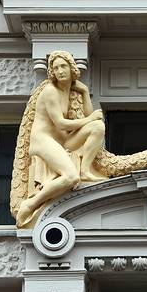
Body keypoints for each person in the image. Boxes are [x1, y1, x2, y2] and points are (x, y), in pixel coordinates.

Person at [16, 50, 105, 226]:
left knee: (97, 127)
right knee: (71, 177)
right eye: (56, 68)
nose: (60, 71)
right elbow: (61, 123)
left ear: (72, 69)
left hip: (61, 141)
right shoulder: (50, 91)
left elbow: (90, 117)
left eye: (63, 66)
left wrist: (84, 91)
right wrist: (90, 119)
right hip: (43, 141)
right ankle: (30, 204)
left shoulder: (70, 90)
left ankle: (85, 170)